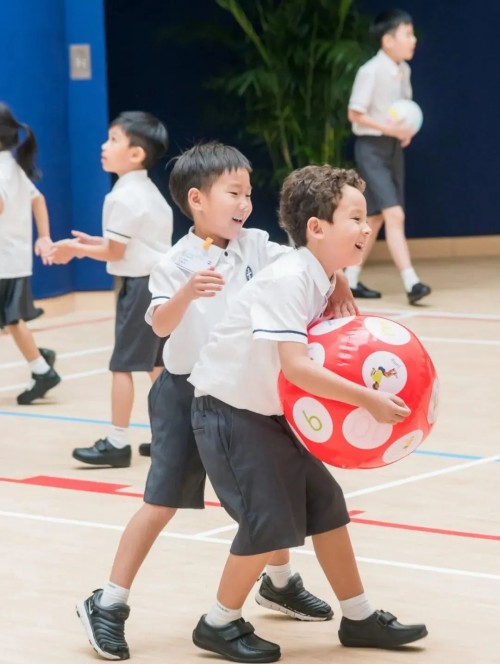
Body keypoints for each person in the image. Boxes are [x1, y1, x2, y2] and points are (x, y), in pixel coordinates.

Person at [74, 143, 358, 661]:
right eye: (234, 193)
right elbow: (159, 326)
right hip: (185, 395)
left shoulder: (255, 245)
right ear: (196, 199)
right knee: (161, 503)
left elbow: (305, 263)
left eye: (249, 193)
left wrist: (337, 281)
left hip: (240, 392)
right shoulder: (173, 262)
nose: (245, 203)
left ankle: (278, 581)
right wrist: (186, 293)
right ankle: (108, 602)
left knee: (270, 484)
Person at [189, 164, 428, 662]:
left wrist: (338, 276)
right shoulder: (290, 279)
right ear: (316, 228)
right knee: (267, 521)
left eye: (366, 218)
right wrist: (368, 400)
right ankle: (218, 622)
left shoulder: (317, 272)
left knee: (327, 506)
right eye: (356, 217)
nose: (366, 228)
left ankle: (358, 617)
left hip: (270, 415)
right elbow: (296, 369)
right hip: (229, 413)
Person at [50, 111, 172, 467]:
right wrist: (94, 242)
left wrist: (74, 249)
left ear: (136, 153)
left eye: (114, 139)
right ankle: (173, 436)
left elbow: (115, 251)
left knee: (123, 366)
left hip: (141, 287)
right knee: (157, 366)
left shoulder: (122, 196)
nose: (105, 146)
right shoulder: (147, 191)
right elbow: (126, 243)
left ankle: (117, 442)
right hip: (159, 284)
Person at [345, 9, 431, 305]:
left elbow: (403, 107)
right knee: (395, 214)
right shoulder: (370, 71)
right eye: (407, 34)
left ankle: (349, 279)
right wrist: (388, 128)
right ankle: (412, 282)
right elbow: (355, 113)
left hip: (393, 149)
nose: (413, 39)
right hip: (370, 148)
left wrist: (404, 131)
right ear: (388, 40)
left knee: (377, 217)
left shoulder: (404, 70)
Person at [0, 102, 61, 405]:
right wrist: (45, 236)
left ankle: (41, 367)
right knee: (12, 320)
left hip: (4, 262)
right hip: (14, 259)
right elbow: (39, 200)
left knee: (12, 321)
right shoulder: (12, 165)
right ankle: (39, 357)